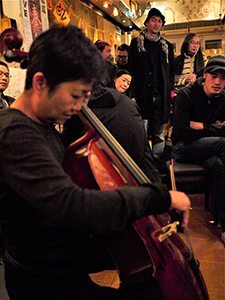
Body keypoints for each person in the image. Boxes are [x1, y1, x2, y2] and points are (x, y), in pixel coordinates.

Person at [0, 25, 190, 300]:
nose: (80, 107)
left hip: (67, 256)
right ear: (40, 83)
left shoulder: (43, 124)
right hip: (44, 281)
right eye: (77, 95)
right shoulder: (15, 133)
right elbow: (73, 205)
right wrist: (160, 197)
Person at [172, 54, 225, 245]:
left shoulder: (223, 98)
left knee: (218, 165)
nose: (218, 82)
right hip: (183, 148)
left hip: (210, 150)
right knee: (222, 144)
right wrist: (217, 129)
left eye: (223, 77)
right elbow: (181, 131)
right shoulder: (186, 95)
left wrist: (203, 127)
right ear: (205, 75)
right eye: (214, 76)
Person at [63, 82, 161, 184]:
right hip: (148, 178)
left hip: (111, 188)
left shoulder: (75, 113)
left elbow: (68, 152)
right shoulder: (127, 102)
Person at [128, 8, 174, 174]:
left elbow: (170, 73)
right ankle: (142, 166)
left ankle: (156, 167)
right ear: (147, 22)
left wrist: (170, 91)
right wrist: (132, 94)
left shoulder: (167, 46)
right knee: (142, 133)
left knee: (159, 134)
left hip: (161, 97)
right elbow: (130, 70)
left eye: (159, 21)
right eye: (153, 20)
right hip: (142, 96)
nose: (156, 24)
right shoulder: (136, 44)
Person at [174, 33, 208, 97]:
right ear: (186, 44)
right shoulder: (177, 60)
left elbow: (207, 75)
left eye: (197, 43)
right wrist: (185, 80)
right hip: (181, 94)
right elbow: (172, 81)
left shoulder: (202, 57)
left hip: (197, 93)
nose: (195, 46)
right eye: (192, 43)